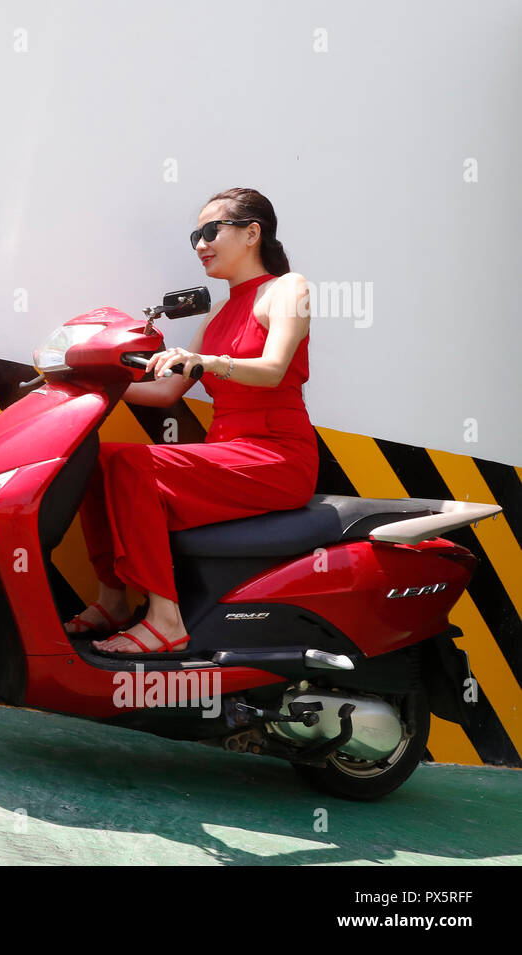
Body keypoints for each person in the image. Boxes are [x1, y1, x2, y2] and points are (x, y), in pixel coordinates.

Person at [64, 187, 318, 653]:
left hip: (276, 456)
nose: (200, 244)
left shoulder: (288, 288)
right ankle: (113, 599)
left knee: (134, 464)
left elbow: (274, 367)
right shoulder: (220, 311)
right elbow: (165, 392)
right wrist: (90, 384)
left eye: (209, 231)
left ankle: (165, 620)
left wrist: (207, 361)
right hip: (226, 454)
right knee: (99, 461)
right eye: (194, 236)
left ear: (251, 233)